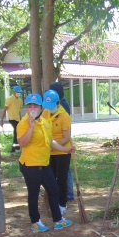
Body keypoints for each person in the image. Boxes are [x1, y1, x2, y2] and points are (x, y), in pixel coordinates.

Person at [16, 93, 72, 232]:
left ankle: (58, 220)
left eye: (35, 106)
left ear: (41, 108)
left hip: (44, 164)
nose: (32, 109)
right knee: (33, 194)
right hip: (30, 165)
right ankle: (35, 222)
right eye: (29, 106)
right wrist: (30, 127)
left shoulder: (45, 122)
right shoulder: (23, 123)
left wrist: (66, 150)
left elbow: (51, 141)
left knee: (54, 190)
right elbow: (22, 143)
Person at [42, 89, 72, 217]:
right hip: (49, 152)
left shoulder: (64, 116)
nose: (49, 109)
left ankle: (62, 204)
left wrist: (54, 146)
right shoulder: (45, 112)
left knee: (61, 179)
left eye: (51, 106)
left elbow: (67, 137)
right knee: (50, 179)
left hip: (62, 153)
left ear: (58, 103)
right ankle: (52, 203)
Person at [48, 81, 74, 201]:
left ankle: (68, 194)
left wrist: (54, 146)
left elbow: (66, 135)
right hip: (54, 148)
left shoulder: (63, 107)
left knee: (64, 174)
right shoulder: (50, 109)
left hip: (62, 148)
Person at [0, 85, 23, 153]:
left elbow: (19, 111)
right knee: (16, 132)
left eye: (20, 92)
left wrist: (21, 120)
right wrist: (1, 120)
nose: (19, 93)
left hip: (18, 119)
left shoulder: (20, 100)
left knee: (17, 132)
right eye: (18, 92)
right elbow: (5, 110)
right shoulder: (9, 99)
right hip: (12, 118)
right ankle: (14, 150)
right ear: (14, 92)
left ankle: (17, 148)